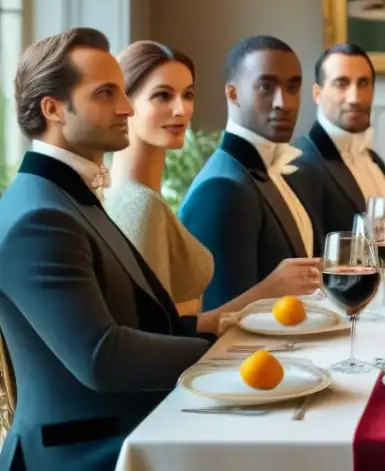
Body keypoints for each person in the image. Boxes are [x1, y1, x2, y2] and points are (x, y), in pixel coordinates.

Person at [0, 28, 210, 470]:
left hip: (131, 427)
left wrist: (224, 327)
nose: (127, 107)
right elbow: (102, 358)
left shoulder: (68, 196)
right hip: (83, 453)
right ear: (53, 108)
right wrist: (221, 350)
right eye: (105, 93)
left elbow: (137, 319)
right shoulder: (40, 216)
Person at [106, 41, 322, 319]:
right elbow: (158, 332)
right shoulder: (141, 204)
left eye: (188, 95)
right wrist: (270, 288)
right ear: (124, 102)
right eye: (162, 95)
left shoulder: (144, 199)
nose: (181, 109)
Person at [179, 36, 323, 310]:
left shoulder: (282, 171)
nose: (284, 102)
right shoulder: (222, 189)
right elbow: (222, 321)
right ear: (232, 93)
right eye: (266, 87)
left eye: (292, 87)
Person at [292, 44, 385, 235]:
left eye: (363, 83)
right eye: (341, 83)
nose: (355, 98)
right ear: (317, 93)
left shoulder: (375, 161)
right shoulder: (300, 165)